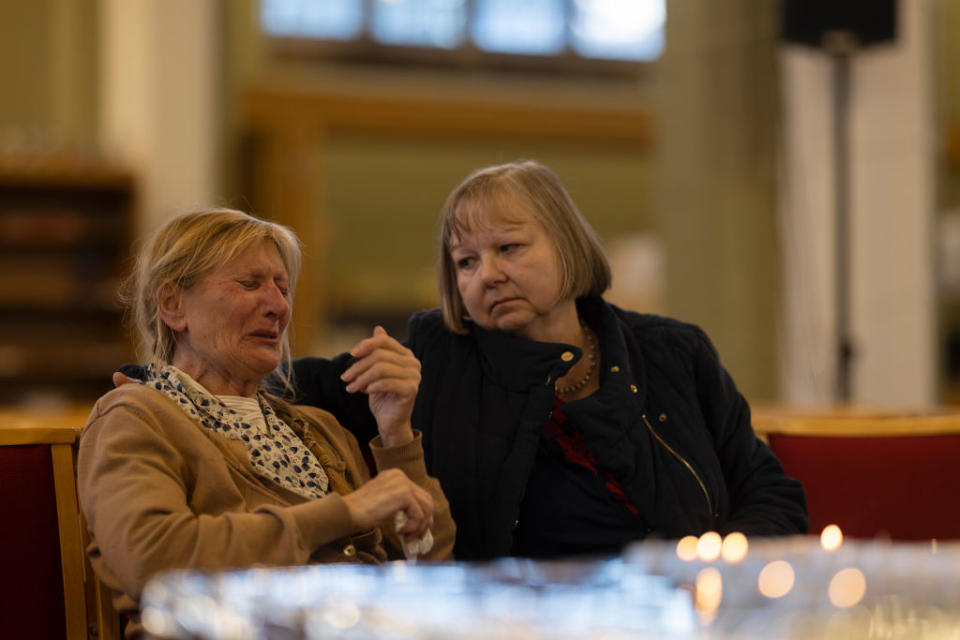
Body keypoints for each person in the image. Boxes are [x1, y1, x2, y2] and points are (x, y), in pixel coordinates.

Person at [282, 160, 807, 560]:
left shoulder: (673, 351)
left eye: (508, 249)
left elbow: (769, 492)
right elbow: (284, 383)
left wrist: (723, 573)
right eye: (465, 262)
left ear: (568, 243)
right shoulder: (432, 354)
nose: (486, 274)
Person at [80, 209, 454, 638]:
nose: (278, 306)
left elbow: (433, 569)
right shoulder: (137, 416)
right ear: (173, 305)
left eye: (282, 287)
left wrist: (396, 433)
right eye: (250, 284)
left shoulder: (318, 429)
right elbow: (155, 562)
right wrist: (344, 512)